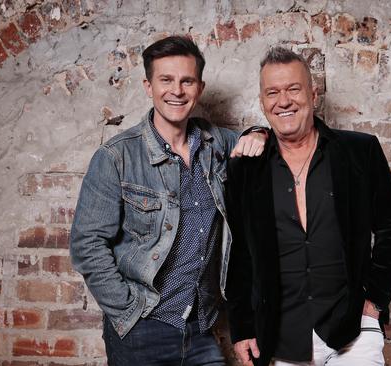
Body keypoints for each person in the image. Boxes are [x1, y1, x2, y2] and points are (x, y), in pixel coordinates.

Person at [69, 35, 266, 366]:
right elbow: (87, 245)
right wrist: (128, 313)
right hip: (141, 331)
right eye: (166, 80)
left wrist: (259, 134)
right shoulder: (117, 157)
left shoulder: (217, 143)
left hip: (201, 328)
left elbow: (258, 138)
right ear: (148, 86)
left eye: (186, 81)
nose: (177, 90)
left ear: (199, 88)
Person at [225, 47, 391, 366]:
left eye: (293, 89)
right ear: (262, 102)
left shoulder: (359, 151)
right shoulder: (247, 168)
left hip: (353, 330)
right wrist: (242, 328)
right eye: (273, 92)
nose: (283, 101)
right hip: (283, 336)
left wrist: (375, 301)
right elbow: (240, 252)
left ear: (313, 93)